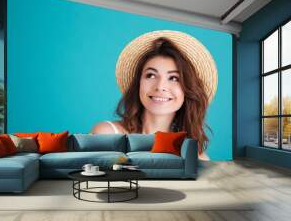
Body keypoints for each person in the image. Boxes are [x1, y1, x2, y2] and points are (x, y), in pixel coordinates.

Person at [91, 30, 217, 160]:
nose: (160, 87)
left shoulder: (196, 157)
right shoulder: (107, 134)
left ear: (188, 90)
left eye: (174, 78)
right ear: (138, 83)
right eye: (151, 75)